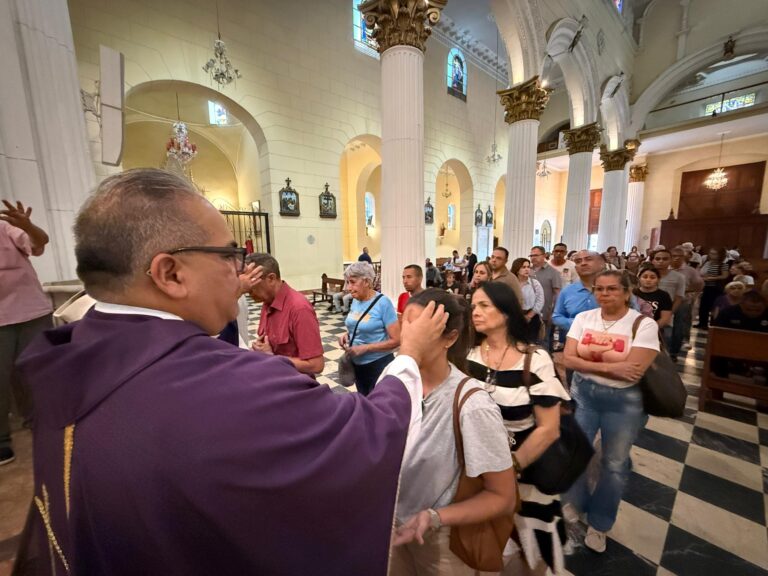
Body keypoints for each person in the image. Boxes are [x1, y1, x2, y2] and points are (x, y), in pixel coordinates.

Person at [16, 169, 453, 575]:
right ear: (170, 273)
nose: (241, 273)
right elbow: (374, 432)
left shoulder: (65, 358)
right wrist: (410, 353)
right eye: (229, 255)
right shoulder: (234, 387)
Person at [390, 289, 517, 574]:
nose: (407, 338)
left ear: (449, 338)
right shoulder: (395, 384)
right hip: (392, 523)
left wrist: (435, 517)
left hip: (440, 540)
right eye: (405, 326)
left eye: (421, 328)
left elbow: (502, 495)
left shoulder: (473, 406)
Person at [467, 281, 570, 574]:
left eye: (484, 305)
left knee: (531, 542)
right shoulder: (470, 354)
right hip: (479, 466)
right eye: (473, 306)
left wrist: (510, 468)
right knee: (487, 537)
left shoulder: (533, 360)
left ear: (506, 312)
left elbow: (549, 429)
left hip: (526, 467)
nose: (475, 312)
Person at [561, 270, 660, 554]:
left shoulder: (642, 324)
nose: (604, 294)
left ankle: (600, 522)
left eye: (612, 289)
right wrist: (612, 367)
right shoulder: (584, 318)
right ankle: (576, 502)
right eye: (599, 289)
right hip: (584, 393)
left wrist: (587, 363)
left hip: (623, 401)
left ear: (627, 292)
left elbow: (634, 371)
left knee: (614, 464)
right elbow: (568, 359)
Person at [0, 200, 53, 465]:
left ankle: (41, 421)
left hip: (31, 311)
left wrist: (28, 226)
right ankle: (2, 439)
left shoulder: (5, 227)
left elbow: (39, 242)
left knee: (39, 372)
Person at [246, 253, 325, 376]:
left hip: (295, 383)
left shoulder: (299, 308)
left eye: (252, 282)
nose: (247, 289)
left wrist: (273, 358)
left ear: (271, 278)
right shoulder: (267, 302)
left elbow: (316, 365)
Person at [340, 261, 400, 396]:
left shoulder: (383, 303)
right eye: (347, 282)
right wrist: (347, 335)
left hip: (378, 365)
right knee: (365, 400)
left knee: (378, 403)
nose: (348, 287)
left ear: (366, 281)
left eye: (352, 282)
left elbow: (397, 340)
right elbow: (359, 324)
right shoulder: (356, 300)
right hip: (358, 365)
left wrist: (366, 348)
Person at [552, 250, 605, 334]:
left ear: (601, 264)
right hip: (573, 338)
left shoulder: (615, 289)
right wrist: (577, 324)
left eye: (588, 259)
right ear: (576, 268)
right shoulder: (567, 291)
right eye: (578, 261)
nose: (583, 263)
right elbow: (557, 317)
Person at [670, 246, 703, 353]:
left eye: (679, 256)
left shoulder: (690, 271)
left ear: (683, 257)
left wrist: (687, 291)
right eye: (673, 256)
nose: (676, 258)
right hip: (667, 300)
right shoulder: (666, 268)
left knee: (681, 323)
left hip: (683, 300)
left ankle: (680, 344)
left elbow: (699, 285)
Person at [529, 245, 561, 350]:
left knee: (544, 340)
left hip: (545, 313)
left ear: (544, 255)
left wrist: (554, 312)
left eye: (536, 255)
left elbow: (557, 294)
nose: (533, 258)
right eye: (531, 255)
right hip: (529, 313)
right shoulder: (527, 270)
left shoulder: (553, 272)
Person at [512, 258, 545, 344]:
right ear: (517, 269)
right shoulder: (512, 284)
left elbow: (540, 301)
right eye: (523, 267)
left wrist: (529, 316)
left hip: (532, 318)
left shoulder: (535, 283)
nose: (527, 269)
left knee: (530, 343)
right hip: (515, 317)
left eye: (528, 267)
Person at [696, 247, 729, 329]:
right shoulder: (707, 263)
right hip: (705, 286)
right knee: (703, 306)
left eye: (714, 254)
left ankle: (713, 325)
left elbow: (725, 276)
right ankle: (702, 323)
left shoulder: (723, 265)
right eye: (711, 253)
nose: (712, 255)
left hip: (715, 288)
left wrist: (712, 278)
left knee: (714, 306)